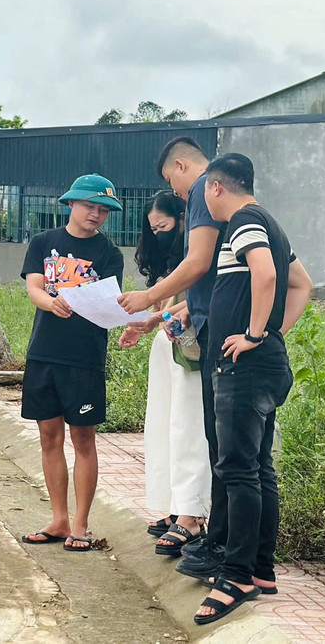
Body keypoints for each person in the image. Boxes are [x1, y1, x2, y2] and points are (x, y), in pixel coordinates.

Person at [194, 154, 313, 626]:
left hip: (244, 368)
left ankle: (238, 575)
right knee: (259, 468)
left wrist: (256, 334)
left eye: (205, 190)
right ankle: (260, 569)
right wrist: (272, 335)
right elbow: (303, 284)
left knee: (238, 470)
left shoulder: (244, 221)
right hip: (264, 366)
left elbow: (265, 276)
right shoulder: (271, 223)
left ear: (217, 188)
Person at [117, 137, 226, 581]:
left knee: (195, 430)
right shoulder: (217, 201)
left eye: (170, 182)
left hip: (210, 341)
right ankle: (188, 513)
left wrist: (150, 298)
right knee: (174, 425)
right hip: (191, 329)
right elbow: (202, 291)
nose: (177, 192)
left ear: (182, 167)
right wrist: (156, 316)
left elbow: (199, 266)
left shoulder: (203, 192)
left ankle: (195, 518)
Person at [19, 174, 125, 554]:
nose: (95, 214)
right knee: (49, 437)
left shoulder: (110, 253)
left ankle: (80, 525)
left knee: (83, 439)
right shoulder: (44, 244)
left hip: (84, 358)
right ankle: (59, 518)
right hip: (43, 353)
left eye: (103, 210)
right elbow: (34, 287)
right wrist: (52, 302)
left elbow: (108, 301)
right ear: (70, 205)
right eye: (89, 206)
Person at [121, 190, 210, 558]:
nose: (159, 232)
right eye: (153, 227)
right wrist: (149, 322)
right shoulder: (171, 254)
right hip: (168, 338)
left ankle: (192, 514)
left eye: (165, 225)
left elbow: (187, 301)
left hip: (189, 340)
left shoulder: (200, 253)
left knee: (189, 427)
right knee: (164, 424)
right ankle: (176, 506)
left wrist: (155, 315)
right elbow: (164, 305)